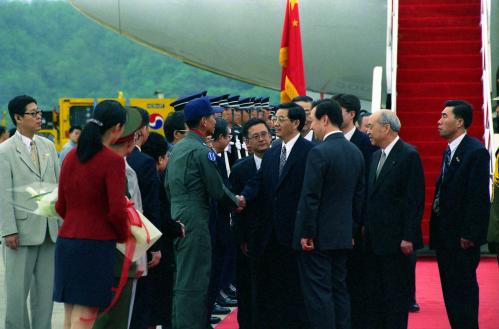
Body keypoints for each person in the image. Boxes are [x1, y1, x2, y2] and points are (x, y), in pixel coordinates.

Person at [166, 96, 242, 329]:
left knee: (183, 278)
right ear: (203, 121)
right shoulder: (201, 151)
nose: (214, 120)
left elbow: (168, 186)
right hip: (196, 220)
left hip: (178, 215)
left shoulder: (178, 149)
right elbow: (216, 189)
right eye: (212, 117)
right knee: (195, 281)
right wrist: (236, 201)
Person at [54, 100, 130, 329]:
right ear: (117, 127)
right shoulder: (113, 161)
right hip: (95, 245)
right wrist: (123, 234)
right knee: (86, 315)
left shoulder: (71, 157)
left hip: (67, 242)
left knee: (70, 314)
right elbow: (116, 210)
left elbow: (61, 205)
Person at [242, 102, 313, 329]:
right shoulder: (273, 152)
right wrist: (242, 197)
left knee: (295, 290)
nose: (276, 124)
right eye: (275, 119)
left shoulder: (310, 152)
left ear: (296, 123)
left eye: (281, 119)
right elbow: (259, 182)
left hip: (295, 232)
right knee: (273, 290)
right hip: (270, 234)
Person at [294, 99, 364, 329]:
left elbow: (310, 197)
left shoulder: (319, 153)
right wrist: (352, 230)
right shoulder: (356, 152)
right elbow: (358, 198)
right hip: (343, 236)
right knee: (339, 289)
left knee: (318, 294)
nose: (311, 127)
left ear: (324, 119)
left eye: (313, 121)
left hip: (319, 239)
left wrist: (306, 233)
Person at [0, 95, 60, 329]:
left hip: (49, 230)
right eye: (33, 113)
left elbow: (58, 187)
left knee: (45, 295)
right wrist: (8, 230)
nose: (39, 117)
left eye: (39, 112)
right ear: (18, 118)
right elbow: (3, 194)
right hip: (20, 233)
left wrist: (61, 222)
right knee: (16, 294)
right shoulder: (5, 151)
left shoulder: (48, 146)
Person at [429, 100, 490, 329]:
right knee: (451, 291)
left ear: (460, 122)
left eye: (445, 116)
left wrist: (470, 233)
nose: (439, 121)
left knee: (463, 290)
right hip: (445, 237)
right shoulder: (450, 150)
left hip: (461, 238)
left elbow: (477, 197)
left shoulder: (475, 152)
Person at [364, 109, 425, 329]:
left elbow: (414, 199)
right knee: (376, 296)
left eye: (371, 126)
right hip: (373, 241)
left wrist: (408, 236)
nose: (367, 131)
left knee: (395, 297)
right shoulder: (374, 156)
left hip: (397, 242)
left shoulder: (408, 155)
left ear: (386, 128)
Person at [93, 106, 144, 329]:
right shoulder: (116, 167)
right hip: (119, 256)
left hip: (89, 253)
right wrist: (138, 255)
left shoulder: (83, 160)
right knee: (115, 319)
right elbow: (123, 215)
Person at [332, 94, 377, 328]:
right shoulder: (324, 142)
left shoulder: (366, 143)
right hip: (333, 227)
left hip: (357, 224)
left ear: (351, 114)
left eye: (338, 110)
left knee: (359, 280)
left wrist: (359, 222)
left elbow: (367, 187)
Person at [229, 118, 272, 329]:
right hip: (251, 239)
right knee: (248, 289)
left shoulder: (280, 162)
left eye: (264, 134)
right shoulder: (239, 169)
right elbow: (237, 210)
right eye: (256, 137)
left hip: (276, 237)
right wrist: (242, 238)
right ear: (247, 143)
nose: (262, 139)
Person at [141, 132, 185, 329]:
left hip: (144, 246)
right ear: (160, 158)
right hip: (157, 246)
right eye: (167, 156)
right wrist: (176, 227)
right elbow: (156, 213)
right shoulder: (153, 176)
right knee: (159, 302)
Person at [127, 107, 163, 329]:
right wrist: (154, 246)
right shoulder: (145, 162)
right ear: (141, 129)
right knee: (140, 302)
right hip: (140, 239)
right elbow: (150, 207)